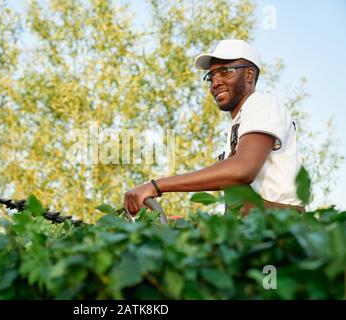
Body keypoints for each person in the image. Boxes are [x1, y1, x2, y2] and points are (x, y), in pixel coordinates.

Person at [123, 39, 305, 216]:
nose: (215, 83)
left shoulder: (263, 103)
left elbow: (243, 169)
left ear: (249, 75)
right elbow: (239, 205)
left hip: (282, 230)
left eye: (225, 72)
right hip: (254, 231)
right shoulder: (237, 128)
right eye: (211, 77)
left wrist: (156, 186)